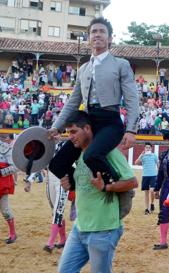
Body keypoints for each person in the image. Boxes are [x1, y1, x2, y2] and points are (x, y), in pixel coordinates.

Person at [57, 111, 137, 273]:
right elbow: (82, 187)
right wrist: (68, 183)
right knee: (66, 271)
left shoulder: (108, 152)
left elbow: (132, 182)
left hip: (104, 228)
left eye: (74, 132)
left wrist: (107, 188)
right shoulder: (80, 156)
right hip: (80, 227)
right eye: (68, 132)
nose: (70, 137)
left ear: (88, 129)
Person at [47, 17, 139, 205]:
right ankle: (78, 187)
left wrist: (131, 130)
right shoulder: (83, 69)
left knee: (91, 155)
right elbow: (73, 102)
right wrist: (57, 126)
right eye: (93, 32)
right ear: (89, 38)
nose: (97, 35)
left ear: (110, 38)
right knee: (56, 164)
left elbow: (131, 99)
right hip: (89, 123)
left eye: (101, 31)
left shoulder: (121, 64)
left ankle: (119, 191)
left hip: (110, 122)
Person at [24, 134, 73, 252]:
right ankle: (62, 240)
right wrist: (29, 181)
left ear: (60, 135)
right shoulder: (46, 149)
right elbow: (39, 166)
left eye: (57, 134)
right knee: (55, 211)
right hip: (50, 181)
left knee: (58, 210)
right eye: (53, 135)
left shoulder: (66, 146)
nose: (55, 137)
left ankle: (50, 243)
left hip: (63, 180)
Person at [134, 142, 158, 215]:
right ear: (144, 148)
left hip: (153, 175)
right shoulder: (143, 156)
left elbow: (158, 164)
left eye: (149, 147)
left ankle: (152, 203)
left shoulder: (154, 156)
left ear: (151, 148)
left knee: (152, 191)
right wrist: (141, 155)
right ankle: (147, 208)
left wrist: (159, 175)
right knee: (146, 193)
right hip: (145, 176)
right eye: (146, 147)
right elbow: (136, 163)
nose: (147, 149)